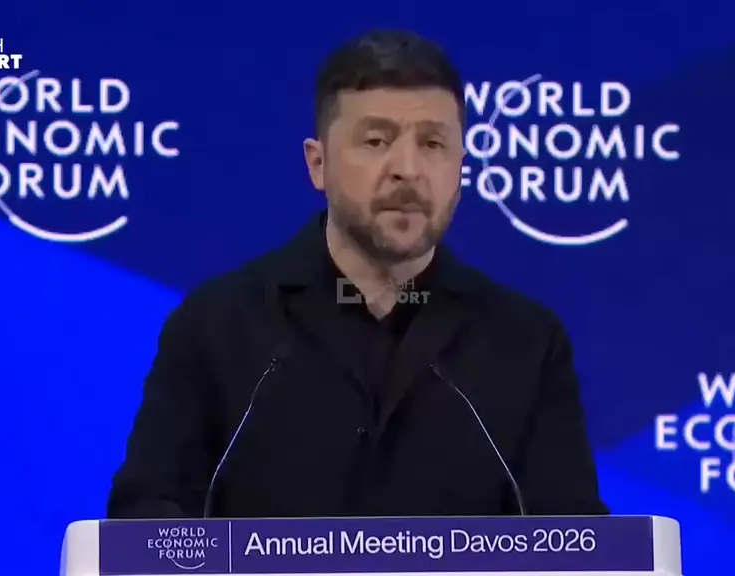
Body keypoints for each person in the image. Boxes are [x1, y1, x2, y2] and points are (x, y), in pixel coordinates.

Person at [107, 29, 608, 519]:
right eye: (376, 140)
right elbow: (146, 524)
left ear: (461, 165)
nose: (407, 169)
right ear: (318, 164)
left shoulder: (527, 342)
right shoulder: (215, 327)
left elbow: (577, 540)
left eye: (433, 143)